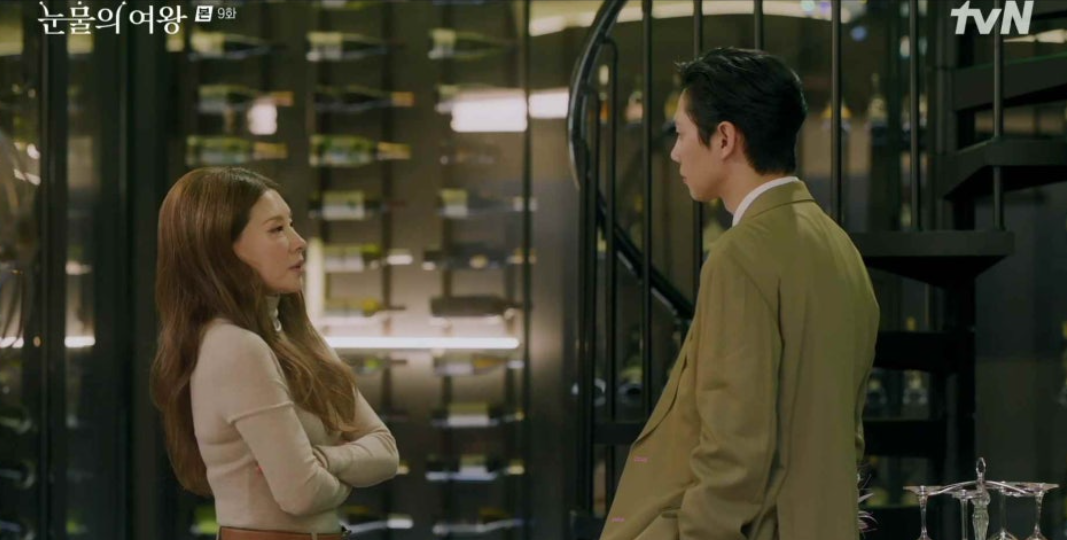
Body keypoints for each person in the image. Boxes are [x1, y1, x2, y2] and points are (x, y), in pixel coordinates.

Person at [601, 47, 879, 540]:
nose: (675, 152)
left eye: (681, 133)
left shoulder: (741, 255)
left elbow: (734, 449)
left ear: (724, 138)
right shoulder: (839, 247)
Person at [151, 167, 399, 540]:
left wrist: (324, 459)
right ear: (223, 248)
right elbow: (303, 493)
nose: (299, 242)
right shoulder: (235, 347)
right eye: (277, 229)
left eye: (291, 225)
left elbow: (386, 452)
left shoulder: (299, 338)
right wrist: (349, 471)